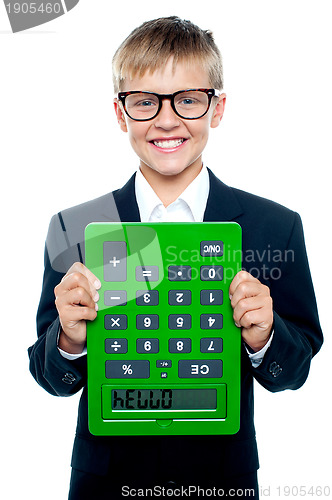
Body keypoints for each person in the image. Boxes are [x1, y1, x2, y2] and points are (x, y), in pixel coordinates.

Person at [28, 16, 323, 500]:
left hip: (220, 479)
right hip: (105, 481)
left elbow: (295, 370)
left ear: (217, 108)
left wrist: (267, 336)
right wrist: (67, 338)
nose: (167, 121)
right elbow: (50, 379)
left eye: (188, 99)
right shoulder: (74, 227)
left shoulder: (275, 226)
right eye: (145, 102)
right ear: (121, 114)